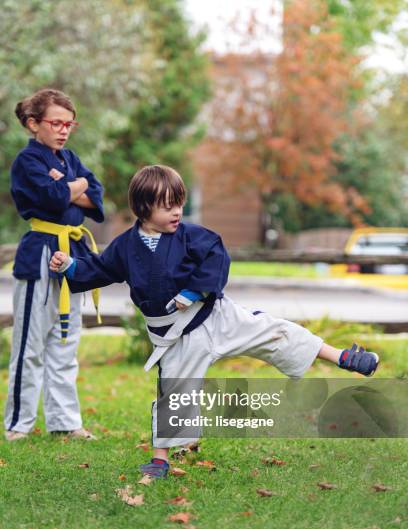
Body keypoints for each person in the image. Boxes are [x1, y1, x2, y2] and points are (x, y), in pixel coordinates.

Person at [49, 164, 379, 476]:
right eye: (167, 206)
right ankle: (159, 460)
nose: (177, 212)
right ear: (143, 208)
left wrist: (193, 292)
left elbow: (216, 256)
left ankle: (343, 357)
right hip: (175, 337)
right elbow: (101, 269)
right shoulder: (126, 247)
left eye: (179, 203)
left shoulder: (193, 236)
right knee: (174, 392)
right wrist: (69, 268)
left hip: (215, 316)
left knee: (272, 331)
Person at [4, 88, 104, 441]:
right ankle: (19, 423)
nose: (63, 130)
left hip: (72, 252)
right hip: (40, 254)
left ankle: (64, 420)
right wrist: (72, 190)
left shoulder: (70, 159)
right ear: (34, 124)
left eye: (69, 124)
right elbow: (51, 198)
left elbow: (97, 197)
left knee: (65, 340)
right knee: (30, 344)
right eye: (56, 123)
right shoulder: (27, 162)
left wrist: (70, 186)